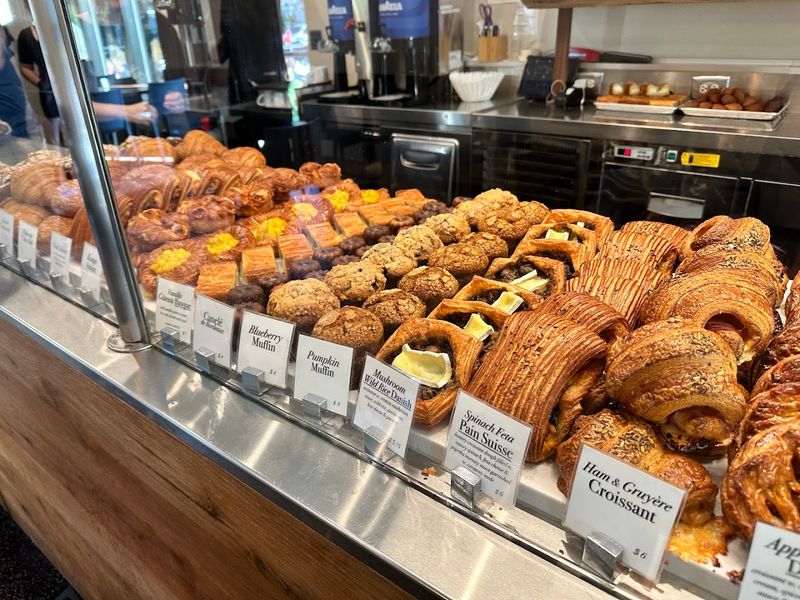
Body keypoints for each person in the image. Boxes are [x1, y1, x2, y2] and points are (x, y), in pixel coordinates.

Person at [17, 24, 60, 144]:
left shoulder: (66, 25)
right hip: (49, 94)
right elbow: (25, 67)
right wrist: (41, 83)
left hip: (77, 88)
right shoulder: (26, 35)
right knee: (55, 139)